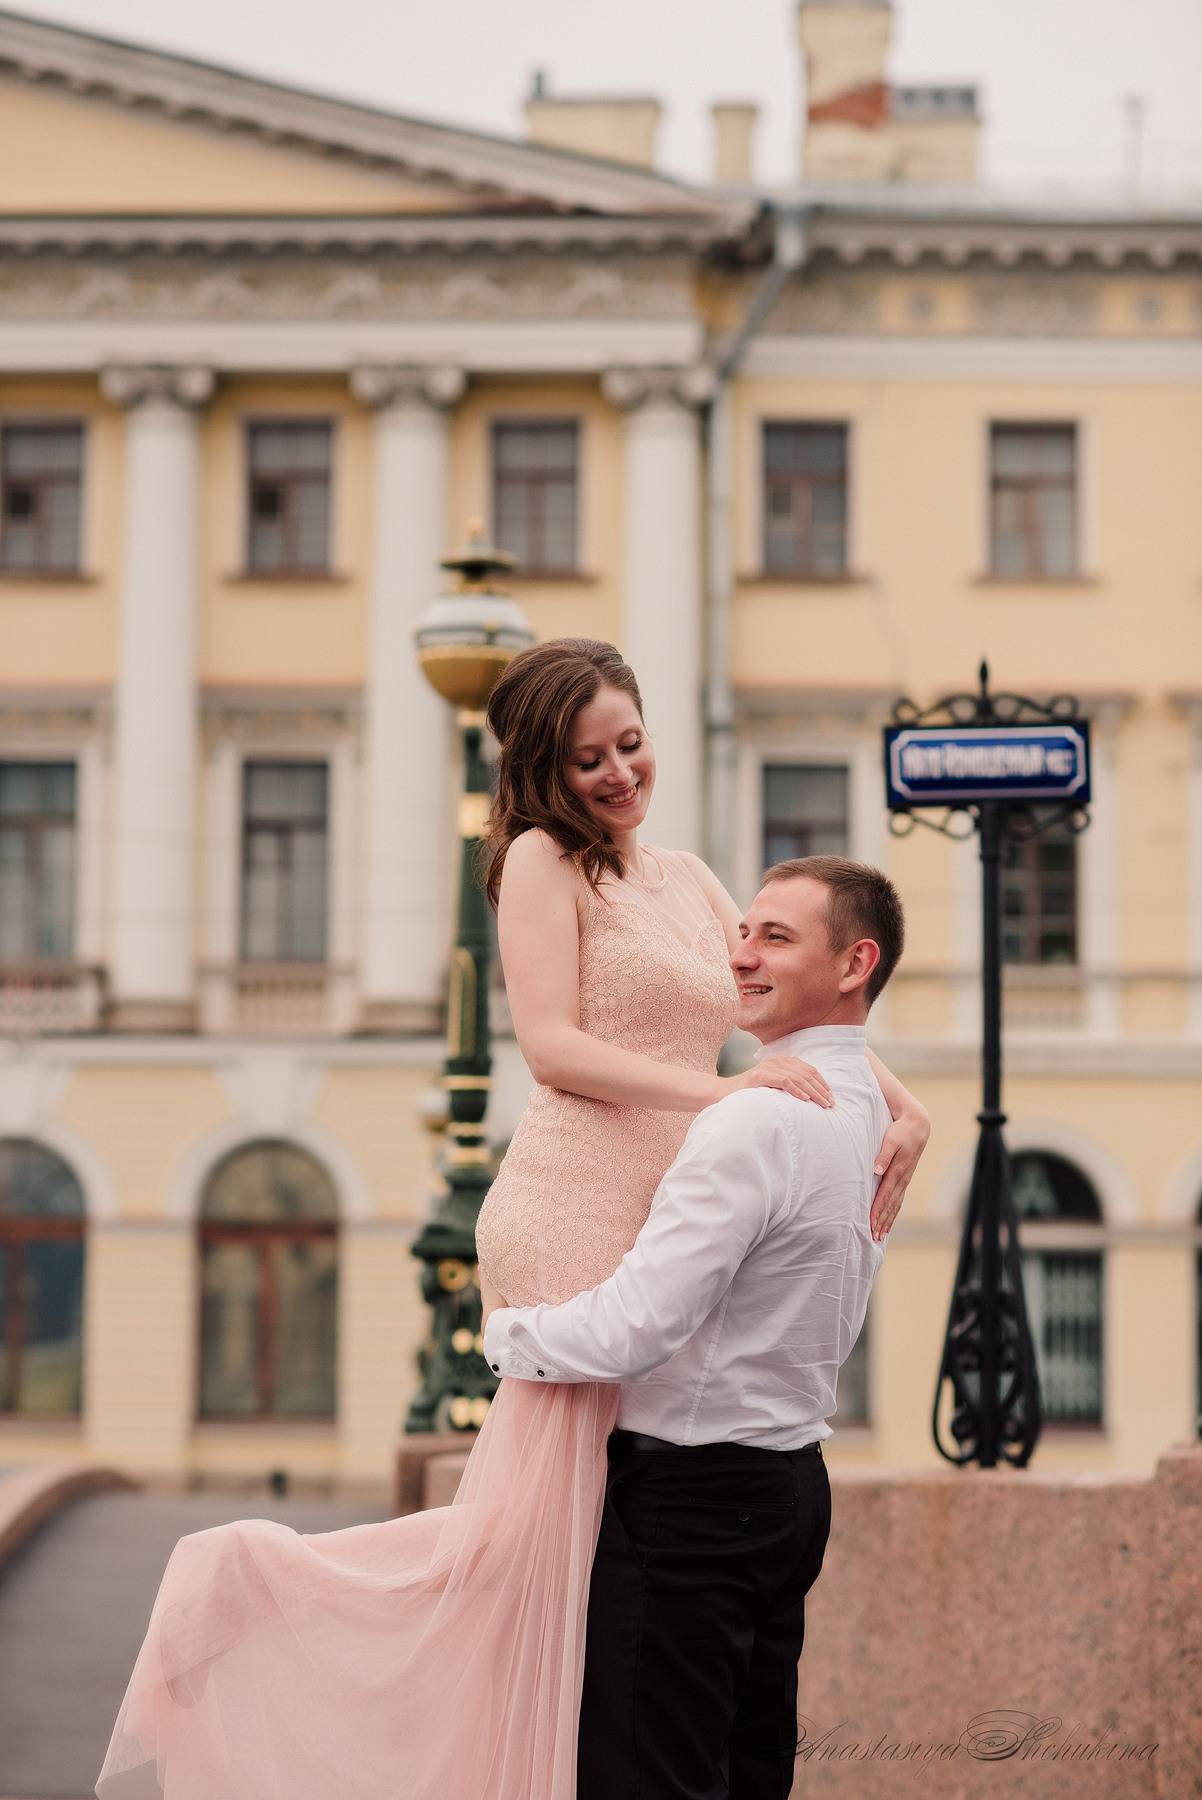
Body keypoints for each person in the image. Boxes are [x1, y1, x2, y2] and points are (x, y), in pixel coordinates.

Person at [96, 639, 927, 1800]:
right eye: (587, 759)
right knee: (550, 1539)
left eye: (630, 743)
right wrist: (723, 1091)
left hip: (666, 1195)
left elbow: (783, 998)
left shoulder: (686, 876)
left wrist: (905, 1104)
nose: (617, 773)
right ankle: (256, 1599)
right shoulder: (542, 860)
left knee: (579, 1551)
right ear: (542, 770)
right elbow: (548, 1048)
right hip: (575, 1197)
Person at [482, 854, 905, 1800]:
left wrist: (509, 1334)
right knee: (748, 1777)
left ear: (855, 964)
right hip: (792, 1488)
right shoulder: (876, 1115)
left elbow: (636, 1327)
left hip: (691, 1502)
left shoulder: (751, 1124)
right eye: (742, 932)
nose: (740, 958)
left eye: (775, 938)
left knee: (653, 1781)